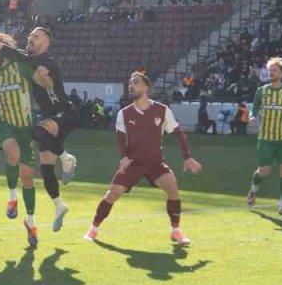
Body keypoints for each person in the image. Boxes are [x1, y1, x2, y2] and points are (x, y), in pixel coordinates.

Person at [0, 22, 80, 230]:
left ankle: (67, 159)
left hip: (65, 114)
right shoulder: (25, 60)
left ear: (46, 43)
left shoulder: (48, 61)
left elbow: (46, 82)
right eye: (30, 35)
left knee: (38, 131)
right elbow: (10, 53)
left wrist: (44, 78)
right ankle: (59, 206)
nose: (31, 37)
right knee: (47, 169)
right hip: (49, 117)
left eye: (36, 36)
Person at [84, 72, 200, 246]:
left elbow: (179, 133)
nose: (132, 86)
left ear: (146, 87)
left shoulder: (162, 110)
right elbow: (120, 139)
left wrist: (187, 157)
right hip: (133, 163)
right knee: (112, 194)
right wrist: (123, 157)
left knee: (173, 190)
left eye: (136, 82)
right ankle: (93, 229)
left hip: (155, 162)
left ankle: (176, 232)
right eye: (131, 83)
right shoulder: (124, 113)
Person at [0, 31, 41, 247]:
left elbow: (39, 81)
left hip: (26, 128)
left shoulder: (20, 65)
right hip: (4, 123)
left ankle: (31, 222)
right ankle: (11, 197)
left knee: (28, 178)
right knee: (13, 153)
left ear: (1, 48)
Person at [245, 57, 282, 217]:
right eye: (270, 70)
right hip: (265, 138)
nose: (271, 73)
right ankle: (253, 190)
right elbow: (255, 108)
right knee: (264, 171)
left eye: (275, 70)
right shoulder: (262, 91)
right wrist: (252, 116)